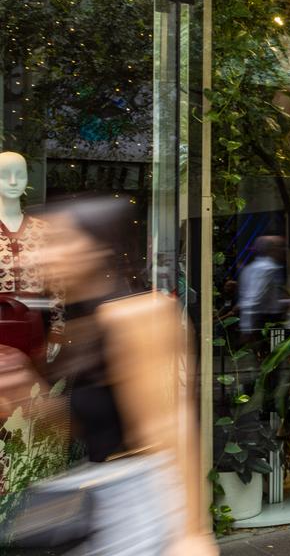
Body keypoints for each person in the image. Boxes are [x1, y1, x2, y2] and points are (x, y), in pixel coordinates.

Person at [5, 197, 214, 554]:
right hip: (101, 505)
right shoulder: (79, 324)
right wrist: (25, 390)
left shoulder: (138, 315)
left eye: (59, 242)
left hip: (138, 507)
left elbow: (171, 428)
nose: (40, 255)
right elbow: (91, 423)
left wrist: (192, 533)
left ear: (97, 247)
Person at [237, 234, 287, 337]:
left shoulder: (250, 268)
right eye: (281, 246)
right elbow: (252, 301)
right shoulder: (268, 269)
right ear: (271, 249)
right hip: (267, 322)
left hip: (262, 321)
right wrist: (247, 330)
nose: (284, 250)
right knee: (274, 350)